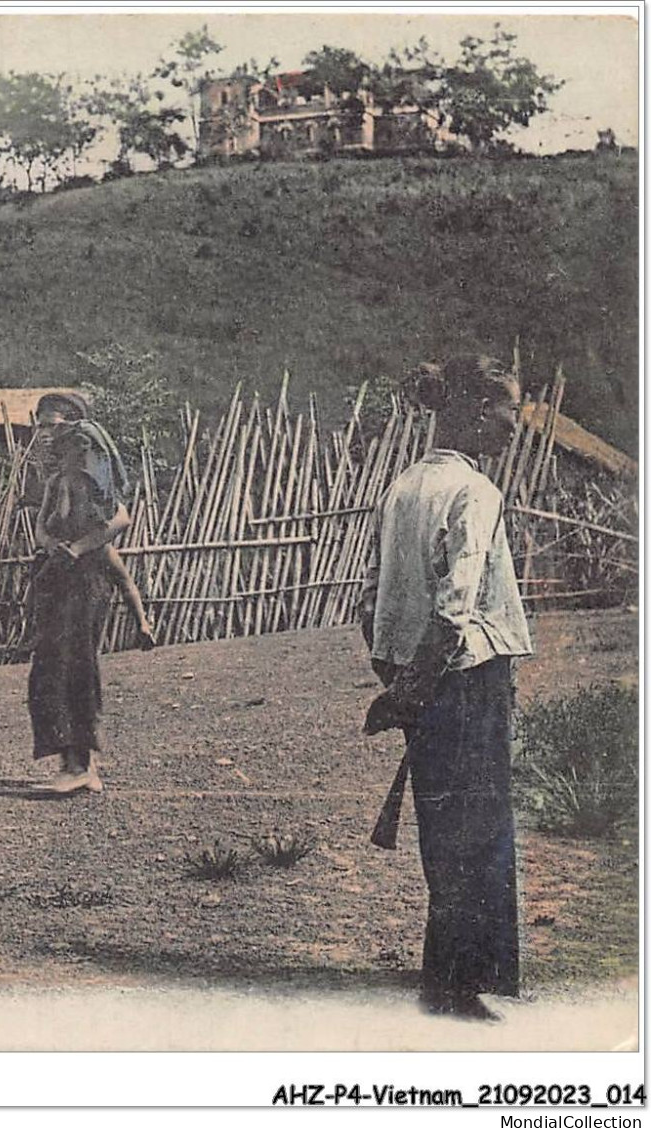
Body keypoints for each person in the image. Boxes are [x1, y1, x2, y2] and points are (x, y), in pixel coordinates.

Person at [359, 356, 530, 1022]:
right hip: (462, 673)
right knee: (478, 827)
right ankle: (457, 985)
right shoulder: (475, 490)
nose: (515, 425)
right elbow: (455, 603)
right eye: (507, 409)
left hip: (419, 672)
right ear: (474, 408)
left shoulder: (404, 484)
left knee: (443, 826)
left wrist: (398, 683)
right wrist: (421, 683)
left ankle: (445, 973)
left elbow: (377, 596)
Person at [28, 396, 157, 795]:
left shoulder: (93, 483)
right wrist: (51, 546)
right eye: (41, 426)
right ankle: (73, 762)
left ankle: (80, 764)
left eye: (55, 426)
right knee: (49, 670)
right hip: (56, 576)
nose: (47, 434)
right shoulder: (55, 482)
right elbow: (40, 528)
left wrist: (79, 549)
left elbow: (121, 520)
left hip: (84, 579)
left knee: (77, 666)